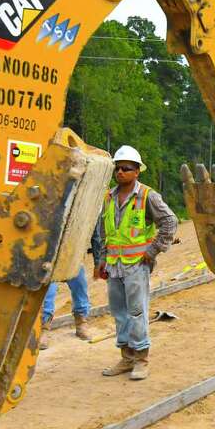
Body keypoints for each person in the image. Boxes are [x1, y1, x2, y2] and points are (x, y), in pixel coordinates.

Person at [91, 145, 177, 381]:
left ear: (137, 171)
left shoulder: (148, 196)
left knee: (137, 312)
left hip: (137, 265)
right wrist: (100, 260)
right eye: (117, 168)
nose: (120, 172)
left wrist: (153, 251)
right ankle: (126, 357)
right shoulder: (108, 197)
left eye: (126, 168)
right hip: (114, 264)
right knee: (119, 313)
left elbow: (170, 222)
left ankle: (141, 359)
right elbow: (104, 231)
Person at [38, 263, 94, 349]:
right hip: (50, 261)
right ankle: (44, 328)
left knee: (80, 282)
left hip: (71, 257)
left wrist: (97, 262)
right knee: (48, 290)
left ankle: (81, 322)